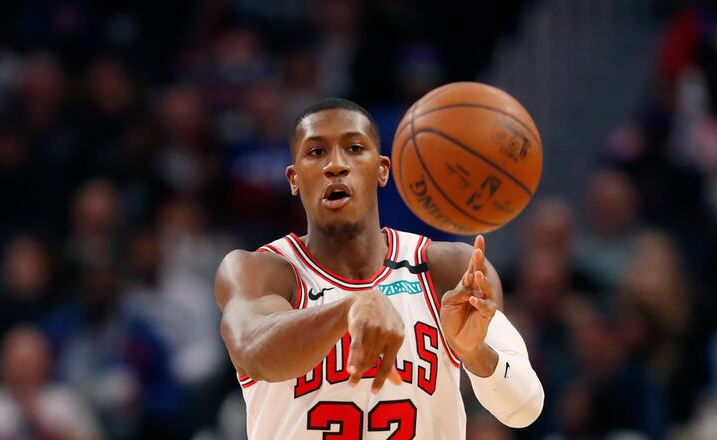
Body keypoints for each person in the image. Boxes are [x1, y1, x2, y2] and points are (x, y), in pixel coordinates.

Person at [215, 98, 544, 439]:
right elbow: (253, 352)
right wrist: (349, 308)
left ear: (382, 169)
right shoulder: (261, 271)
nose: (336, 165)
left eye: (355, 148)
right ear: (294, 178)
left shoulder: (449, 270)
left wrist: (474, 352)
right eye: (316, 152)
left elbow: (524, 409)